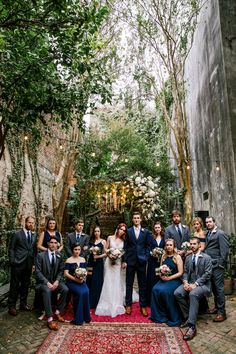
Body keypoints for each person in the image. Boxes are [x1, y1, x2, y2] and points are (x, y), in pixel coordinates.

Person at [174, 237, 212, 340]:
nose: (192, 246)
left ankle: (192, 327)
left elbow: (208, 274)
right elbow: (185, 272)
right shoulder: (188, 257)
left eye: (194, 244)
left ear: (199, 245)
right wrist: (185, 282)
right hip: (189, 283)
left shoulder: (207, 257)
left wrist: (195, 284)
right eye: (191, 244)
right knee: (177, 293)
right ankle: (188, 317)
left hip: (203, 285)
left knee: (193, 294)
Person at [35, 237, 68, 330]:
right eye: (51, 242)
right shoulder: (40, 256)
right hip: (43, 283)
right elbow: (38, 272)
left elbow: (61, 270)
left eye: (55, 243)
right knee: (47, 291)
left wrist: (57, 281)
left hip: (55, 282)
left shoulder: (59, 255)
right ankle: (50, 318)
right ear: (48, 244)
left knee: (65, 289)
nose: (53, 244)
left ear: (57, 244)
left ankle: (57, 312)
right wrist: (47, 282)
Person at [122, 212, 151, 317]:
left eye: (138, 218)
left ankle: (143, 306)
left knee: (142, 284)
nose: (136, 220)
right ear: (132, 219)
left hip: (142, 261)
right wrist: (124, 260)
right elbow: (125, 246)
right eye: (134, 218)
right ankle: (128, 305)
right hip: (130, 261)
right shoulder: (128, 231)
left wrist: (146, 257)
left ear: (141, 219)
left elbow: (148, 246)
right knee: (129, 283)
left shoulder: (146, 232)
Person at [95, 223, 127, 317]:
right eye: (120, 229)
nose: (121, 231)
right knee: (108, 282)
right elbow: (106, 250)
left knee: (116, 282)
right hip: (109, 263)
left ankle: (116, 303)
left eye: (123, 230)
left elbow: (124, 253)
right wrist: (104, 255)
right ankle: (106, 302)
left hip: (118, 263)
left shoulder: (124, 240)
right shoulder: (110, 238)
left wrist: (119, 258)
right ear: (117, 229)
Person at [150, 238, 183, 326]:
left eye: (170, 245)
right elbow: (159, 269)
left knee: (165, 292)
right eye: (167, 245)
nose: (168, 247)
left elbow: (180, 272)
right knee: (155, 289)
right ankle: (159, 315)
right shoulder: (163, 256)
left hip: (175, 280)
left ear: (174, 246)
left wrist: (170, 278)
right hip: (164, 279)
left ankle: (172, 315)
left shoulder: (177, 257)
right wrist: (161, 276)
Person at [8, 216, 37, 316]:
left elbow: (34, 250)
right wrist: (13, 261)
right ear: (25, 222)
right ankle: (11, 306)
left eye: (33, 223)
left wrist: (33, 264)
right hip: (18, 263)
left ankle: (23, 304)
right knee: (14, 285)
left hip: (28, 264)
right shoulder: (17, 234)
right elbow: (11, 248)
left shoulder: (34, 235)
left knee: (25, 285)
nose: (31, 224)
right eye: (29, 222)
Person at [204, 216, 229, 322]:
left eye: (210, 222)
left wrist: (220, 264)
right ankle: (217, 308)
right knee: (214, 288)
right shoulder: (207, 233)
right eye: (206, 222)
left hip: (217, 266)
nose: (208, 224)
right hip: (210, 265)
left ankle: (221, 313)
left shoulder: (220, 233)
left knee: (219, 289)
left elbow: (225, 251)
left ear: (214, 222)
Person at [64, 243, 91, 325]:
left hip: (81, 282)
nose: (77, 251)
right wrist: (76, 279)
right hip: (71, 282)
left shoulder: (83, 259)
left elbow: (85, 271)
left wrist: (83, 278)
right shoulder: (69, 260)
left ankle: (86, 317)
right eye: (75, 249)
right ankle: (78, 319)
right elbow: (66, 273)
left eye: (79, 249)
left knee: (86, 291)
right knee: (80, 293)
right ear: (72, 250)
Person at [86, 226, 106, 309]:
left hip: (99, 263)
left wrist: (98, 256)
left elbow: (106, 253)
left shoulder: (103, 241)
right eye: (95, 231)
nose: (96, 233)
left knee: (97, 281)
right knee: (90, 280)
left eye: (98, 231)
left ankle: (97, 302)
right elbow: (86, 250)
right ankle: (89, 301)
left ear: (100, 232)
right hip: (90, 263)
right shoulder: (91, 241)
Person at [146, 221, 165, 306]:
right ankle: (150, 300)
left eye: (159, 227)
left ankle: (159, 299)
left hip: (161, 262)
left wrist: (162, 253)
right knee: (151, 279)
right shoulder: (151, 237)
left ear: (161, 228)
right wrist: (152, 253)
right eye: (156, 227)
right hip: (152, 262)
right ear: (154, 228)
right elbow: (148, 247)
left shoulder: (164, 237)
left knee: (159, 278)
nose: (157, 229)